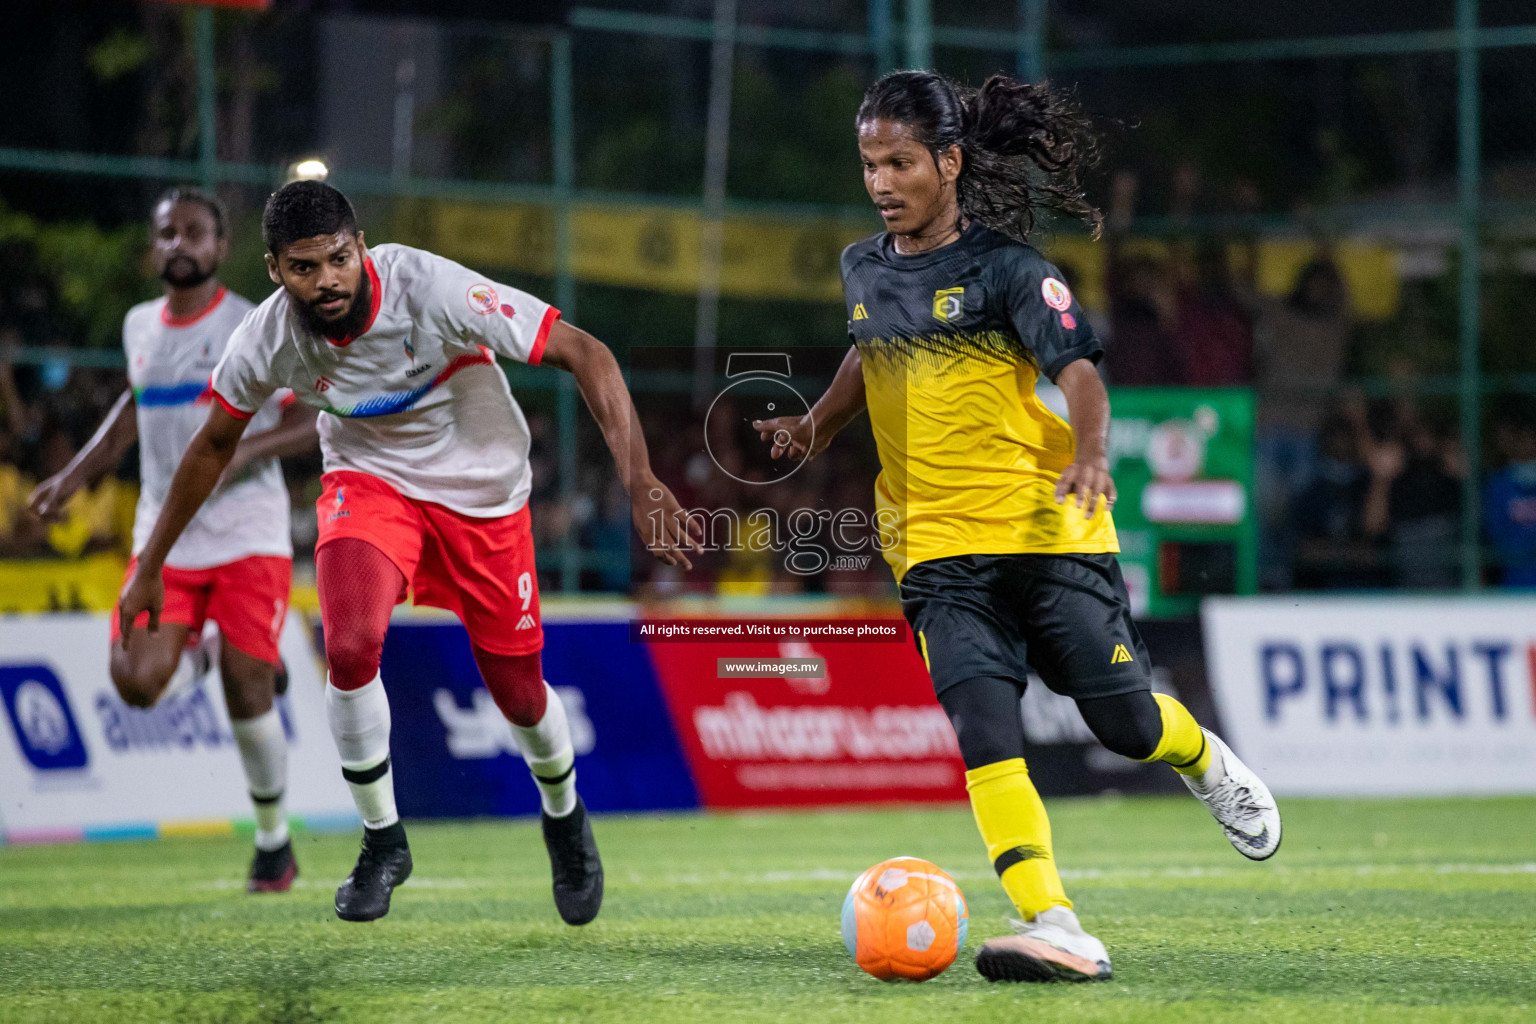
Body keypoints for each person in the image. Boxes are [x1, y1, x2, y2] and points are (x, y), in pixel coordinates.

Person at [754, 71, 1281, 984]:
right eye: (871, 164)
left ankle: (1200, 756)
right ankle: (1056, 920)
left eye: (901, 163)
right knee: (985, 729)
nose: (882, 181)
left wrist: (1091, 453)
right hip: (932, 549)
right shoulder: (862, 267)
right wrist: (815, 425)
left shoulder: (1012, 271)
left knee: (1120, 724)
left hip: (1047, 530)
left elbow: (1080, 374)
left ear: (949, 162)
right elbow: (866, 345)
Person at [116, 181, 699, 924]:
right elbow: (209, 449)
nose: (326, 279)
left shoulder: (430, 288)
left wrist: (640, 479)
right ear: (273, 270)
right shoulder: (262, 340)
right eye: (304, 267)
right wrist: (150, 565)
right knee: (352, 644)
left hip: (483, 493)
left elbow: (587, 353)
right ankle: (383, 839)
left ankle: (565, 815)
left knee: (520, 696)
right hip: (370, 483)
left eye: (338, 258)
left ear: (360, 248)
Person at [29, 187, 320, 892]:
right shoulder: (138, 327)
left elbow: (316, 416)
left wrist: (245, 452)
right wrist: (71, 477)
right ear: (152, 248)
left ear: (221, 249)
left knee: (249, 684)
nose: (179, 244)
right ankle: (213, 651)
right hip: (166, 535)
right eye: (167, 233)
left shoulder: (254, 324)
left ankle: (274, 842)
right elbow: (132, 409)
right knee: (135, 684)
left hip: (248, 530)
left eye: (194, 233)